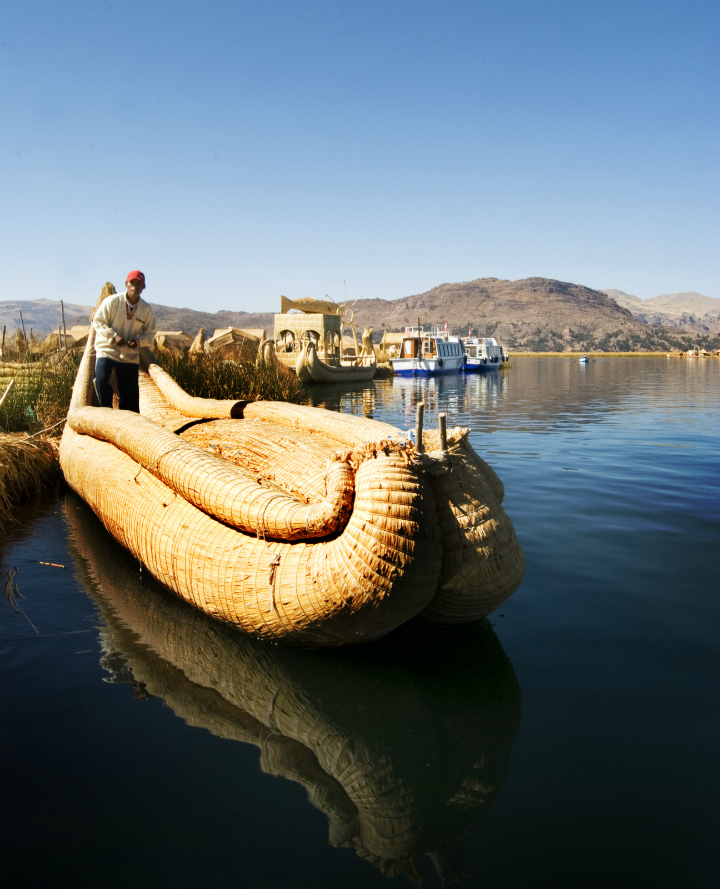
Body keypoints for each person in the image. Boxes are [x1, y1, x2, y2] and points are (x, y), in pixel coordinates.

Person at [93, 270, 156, 412]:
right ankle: (106, 411)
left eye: (139, 284)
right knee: (101, 379)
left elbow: (150, 332)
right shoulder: (112, 301)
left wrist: (137, 341)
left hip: (129, 354)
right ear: (126, 284)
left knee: (130, 395)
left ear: (143, 287)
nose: (135, 286)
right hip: (107, 350)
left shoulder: (145, 309)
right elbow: (98, 321)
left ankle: (129, 419)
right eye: (132, 283)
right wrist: (113, 336)